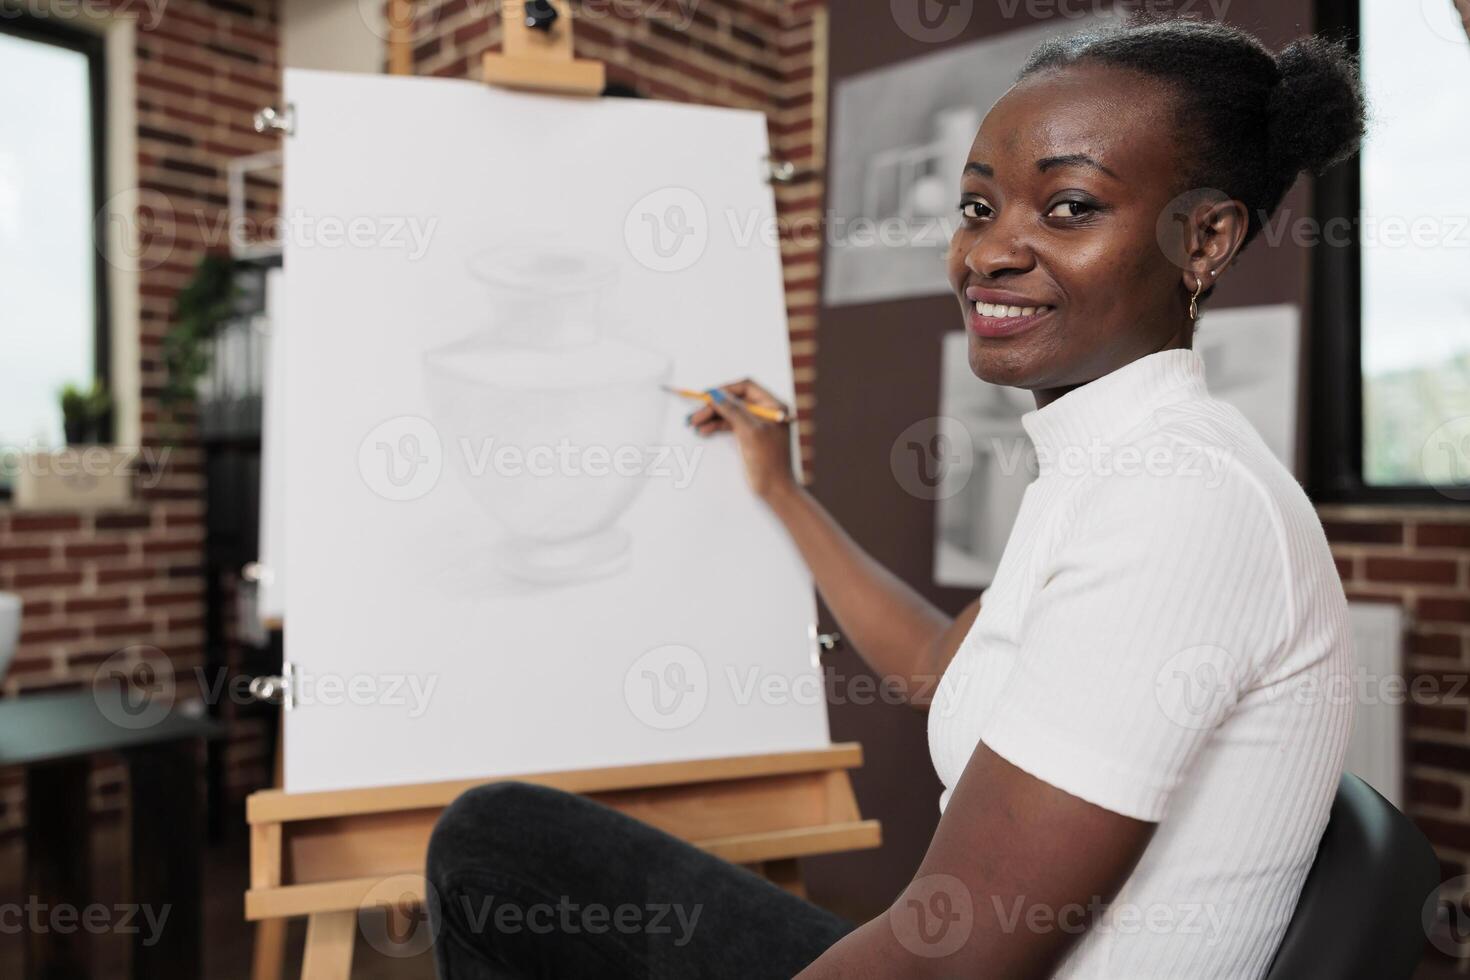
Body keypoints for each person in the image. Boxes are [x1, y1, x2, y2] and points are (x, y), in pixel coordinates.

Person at [425, 13, 1367, 978]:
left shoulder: (1181, 503)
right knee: (499, 842)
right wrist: (779, 488)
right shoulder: (1113, 466)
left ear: (1204, 237)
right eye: (976, 207)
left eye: (1069, 207)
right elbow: (937, 661)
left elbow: (947, 962)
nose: (989, 253)